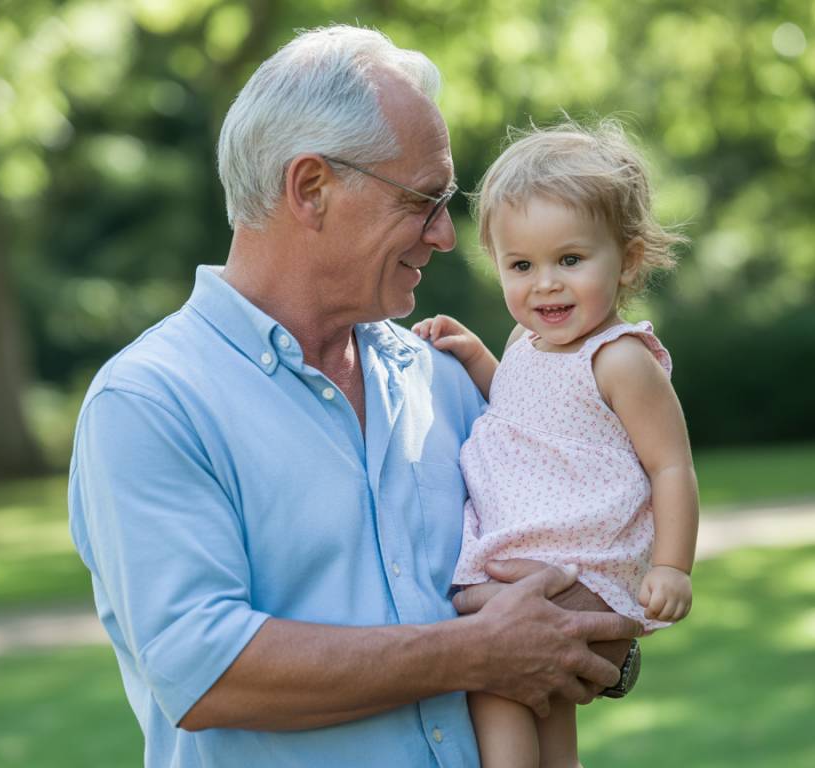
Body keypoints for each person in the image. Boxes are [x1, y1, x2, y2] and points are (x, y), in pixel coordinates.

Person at [67, 26, 640, 767]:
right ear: (312, 188)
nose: (443, 235)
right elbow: (202, 670)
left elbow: (562, 593)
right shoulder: (150, 403)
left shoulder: (446, 378)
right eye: (424, 200)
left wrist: (598, 648)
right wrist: (474, 653)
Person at [412, 120, 699, 767]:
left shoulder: (620, 358)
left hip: (581, 566)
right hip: (530, 554)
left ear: (625, 259)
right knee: (542, 702)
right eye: (522, 265)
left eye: (569, 260)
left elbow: (671, 465)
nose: (545, 283)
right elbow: (521, 411)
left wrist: (672, 567)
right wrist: (479, 358)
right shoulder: (523, 342)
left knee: (495, 673)